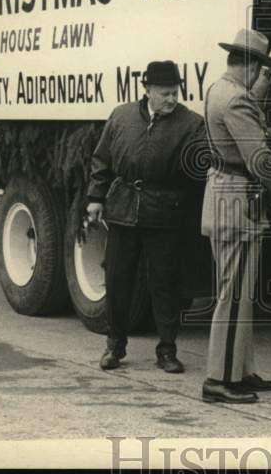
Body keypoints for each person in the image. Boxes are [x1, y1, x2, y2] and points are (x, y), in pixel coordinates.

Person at [86, 60, 207, 373]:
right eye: (165, 93)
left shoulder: (191, 124)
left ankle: (167, 350)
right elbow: (102, 160)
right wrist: (95, 198)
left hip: (165, 214)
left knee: (165, 283)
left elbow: (197, 173)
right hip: (123, 210)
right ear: (148, 90)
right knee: (117, 280)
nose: (172, 99)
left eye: (175, 92)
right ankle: (114, 346)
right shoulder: (121, 116)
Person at [199, 28, 271, 404]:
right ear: (247, 65)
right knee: (234, 295)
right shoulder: (236, 100)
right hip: (238, 200)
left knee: (240, 293)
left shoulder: (220, 90)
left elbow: (249, 103)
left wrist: (267, 73)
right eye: (258, 66)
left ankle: (239, 370)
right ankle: (219, 378)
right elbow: (260, 159)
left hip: (223, 193)